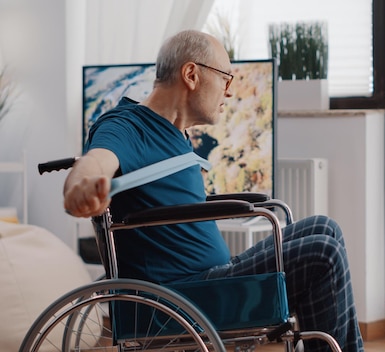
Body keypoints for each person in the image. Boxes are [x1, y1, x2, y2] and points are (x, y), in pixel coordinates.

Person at [62, 30, 364, 352]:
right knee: (323, 253)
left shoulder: (177, 134)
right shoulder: (126, 125)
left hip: (211, 279)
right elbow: (94, 162)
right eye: (225, 78)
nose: (229, 92)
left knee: (324, 227)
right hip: (181, 297)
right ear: (191, 74)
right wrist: (81, 188)